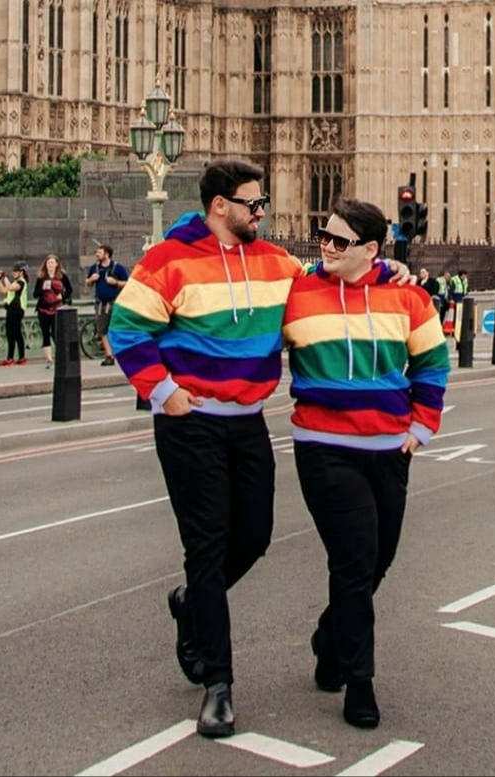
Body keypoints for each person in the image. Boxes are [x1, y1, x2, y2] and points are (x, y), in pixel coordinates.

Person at [107, 160, 411, 740]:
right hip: (190, 424)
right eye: (254, 204)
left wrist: (385, 266)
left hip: (247, 423)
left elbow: (332, 279)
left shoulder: (277, 265)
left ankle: (192, 601)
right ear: (219, 206)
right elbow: (125, 330)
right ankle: (218, 684)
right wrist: (164, 391)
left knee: (255, 535)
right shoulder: (167, 261)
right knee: (208, 542)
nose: (262, 213)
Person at [283, 198, 449, 730]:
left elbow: (431, 362)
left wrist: (421, 427)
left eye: (338, 241)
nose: (325, 247)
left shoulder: (407, 296)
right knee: (354, 561)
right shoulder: (298, 292)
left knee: (378, 560)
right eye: (322, 237)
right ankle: (360, 682)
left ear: (372, 250)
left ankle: (330, 638)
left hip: (387, 450)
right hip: (324, 448)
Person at [85, 244, 129, 365]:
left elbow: (128, 283)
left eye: (99, 252)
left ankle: (121, 353)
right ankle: (109, 355)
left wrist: (116, 282)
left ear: (107, 254)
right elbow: (87, 283)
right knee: (102, 330)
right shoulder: (94, 268)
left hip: (114, 303)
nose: (97, 255)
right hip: (100, 304)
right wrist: (91, 280)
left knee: (115, 329)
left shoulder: (117, 268)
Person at [33, 253, 73, 368]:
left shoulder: (62, 276)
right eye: (48, 263)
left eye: (52, 263)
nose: (50, 265)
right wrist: (42, 289)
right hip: (43, 309)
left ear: (56, 264)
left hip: (57, 309)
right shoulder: (41, 277)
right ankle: (49, 360)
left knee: (57, 333)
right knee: (45, 333)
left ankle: (61, 356)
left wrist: (63, 296)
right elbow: (35, 294)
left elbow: (69, 289)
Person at [0, 262, 29, 366]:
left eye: (16, 271)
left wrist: (4, 277)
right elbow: (3, 290)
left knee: (16, 332)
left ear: (21, 272)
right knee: (10, 333)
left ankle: (19, 357)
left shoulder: (21, 282)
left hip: (17, 309)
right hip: (11, 309)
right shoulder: (15, 282)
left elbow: (9, 287)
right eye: (13, 271)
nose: (13, 273)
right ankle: (11, 357)